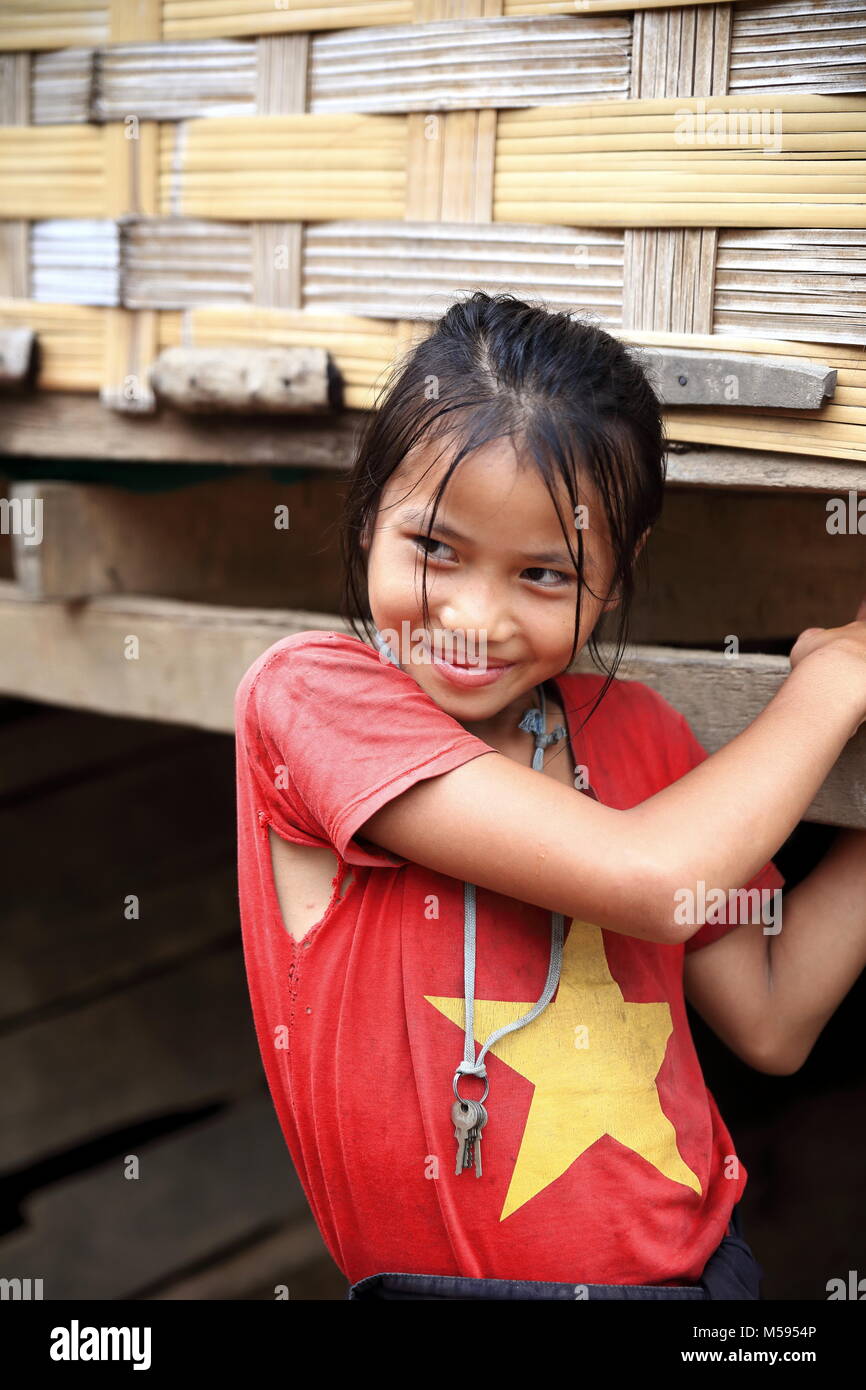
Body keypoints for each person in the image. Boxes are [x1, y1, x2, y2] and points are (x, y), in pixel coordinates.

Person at [233, 292, 866, 1301]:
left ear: (615, 579)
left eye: (542, 572)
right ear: (365, 520)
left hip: (701, 1280)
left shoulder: (641, 736)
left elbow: (772, 1019)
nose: (472, 618)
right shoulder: (313, 698)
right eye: (433, 548)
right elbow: (650, 882)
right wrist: (834, 679)